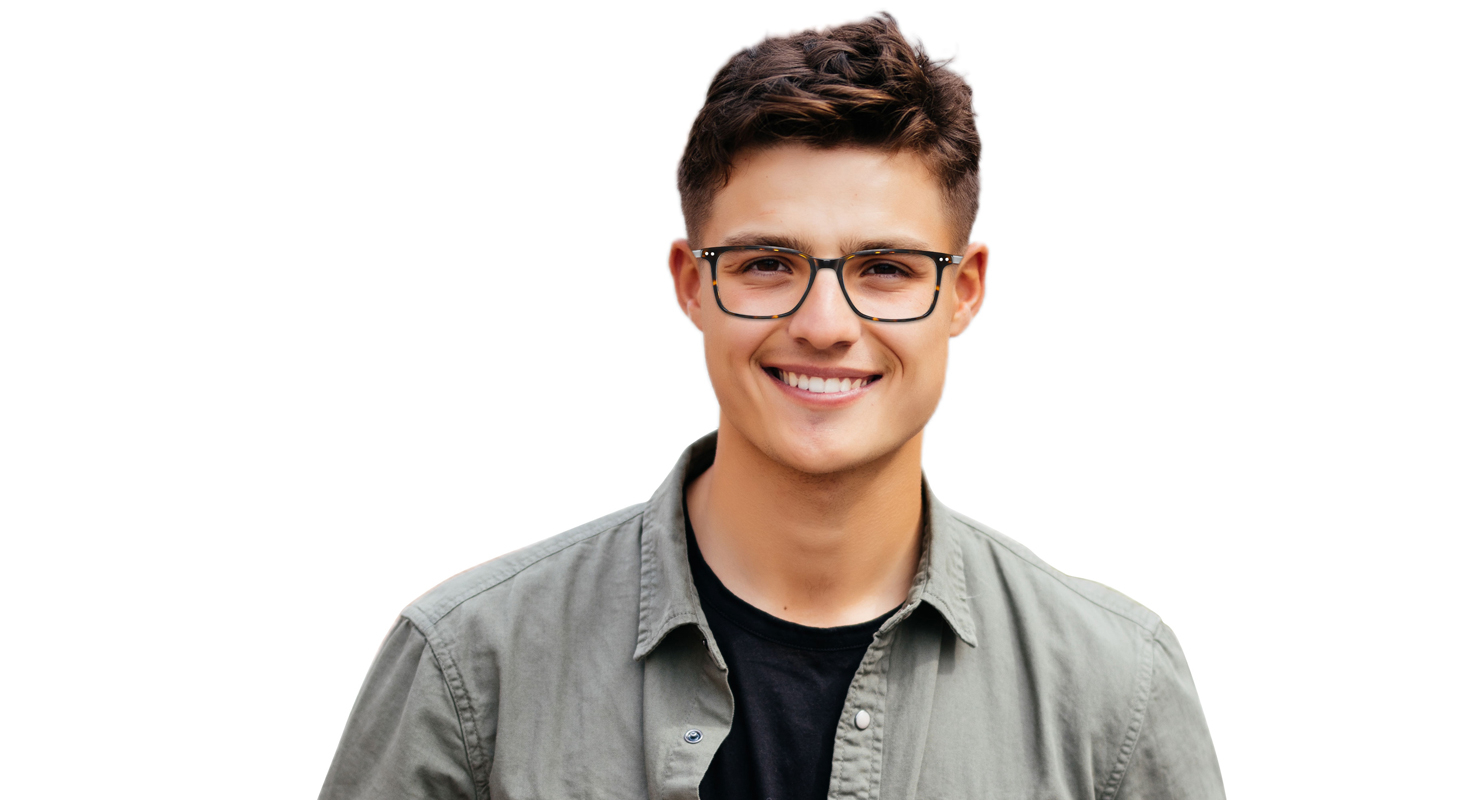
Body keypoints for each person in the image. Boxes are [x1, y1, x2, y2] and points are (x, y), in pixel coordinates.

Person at [320, 14, 1225, 800]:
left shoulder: (1115, 690)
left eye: (886, 268)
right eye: (767, 264)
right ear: (691, 284)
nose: (825, 325)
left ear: (964, 291)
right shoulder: (472, 670)